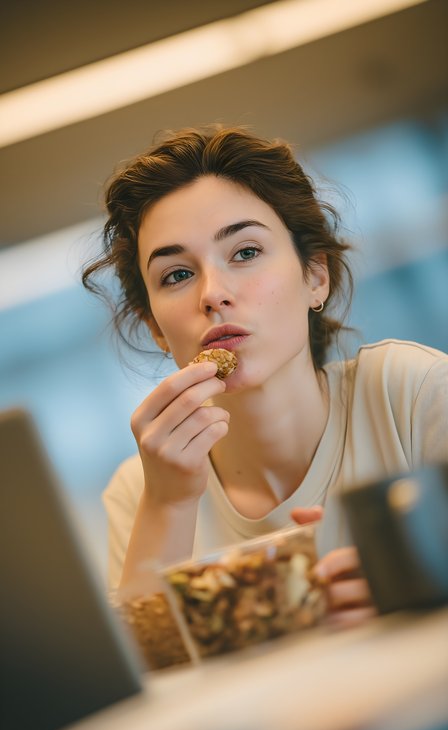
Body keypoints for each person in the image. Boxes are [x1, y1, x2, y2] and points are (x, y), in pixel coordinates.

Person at [82, 125, 448, 629]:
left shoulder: (414, 393)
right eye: (177, 275)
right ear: (156, 328)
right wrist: (169, 504)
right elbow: (151, 688)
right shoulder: (139, 491)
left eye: (245, 252)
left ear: (315, 276)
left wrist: (420, 583)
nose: (212, 293)